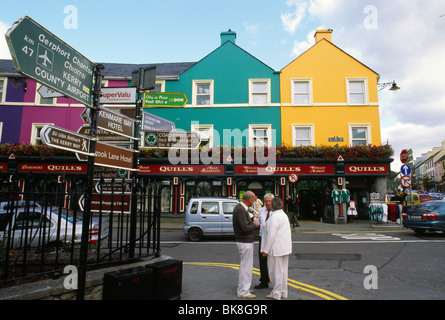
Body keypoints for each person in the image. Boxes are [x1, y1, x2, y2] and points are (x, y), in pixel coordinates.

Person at [261, 197, 292, 300]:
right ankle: (283, 292)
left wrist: (266, 249)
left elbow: (271, 235)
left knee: (274, 272)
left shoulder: (274, 217)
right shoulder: (283, 215)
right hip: (284, 248)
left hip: (275, 249)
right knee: (283, 272)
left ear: (273, 206)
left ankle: (276, 293)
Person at [233, 191, 260, 299]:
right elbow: (245, 228)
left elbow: (245, 224)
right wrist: (255, 224)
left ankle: (245, 288)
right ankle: (243, 292)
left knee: (247, 267)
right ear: (249, 199)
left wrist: (252, 220)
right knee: (245, 267)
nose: (254, 202)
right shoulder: (240, 209)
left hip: (245, 241)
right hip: (244, 241)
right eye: (253, 199)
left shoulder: (241, 208)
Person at [254, 193, 273, 289]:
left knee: (273, 261)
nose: (268, 203)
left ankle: (276, 282)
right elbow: (257, 221)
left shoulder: (276, 212)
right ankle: (264, 281)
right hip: (262, 239)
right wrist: (255, 221)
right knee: (262, 260)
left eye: (269, 201)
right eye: (266, 201)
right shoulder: (261, 211)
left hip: (273, 239)